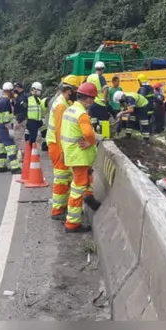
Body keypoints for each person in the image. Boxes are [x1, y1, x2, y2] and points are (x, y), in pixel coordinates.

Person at [59, 81, 102, 233]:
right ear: (88, 99)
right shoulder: (82, 114)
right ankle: (72, 224)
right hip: (80, 156)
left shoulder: (69, 110)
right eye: (93, 99)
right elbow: (89, 134)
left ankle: (89, 198)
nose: (92, 102)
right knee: (77, 189)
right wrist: (91, 142)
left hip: (71, 154)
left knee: (85, 180)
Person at [47, 83, 76, 220]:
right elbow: (59, 129)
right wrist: (63, 150)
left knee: (66, 178)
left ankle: (62, 207)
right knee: (61, 178)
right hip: (57, 146)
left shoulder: (63, 102)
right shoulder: (60, 105)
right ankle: (57, 210)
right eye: (72, 91)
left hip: (58, 145)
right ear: (68, 91)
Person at [0, 82, 22, 177]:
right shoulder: (6, 102)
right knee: (11, 147)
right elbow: (6, 118)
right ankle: (15, 168)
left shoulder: (0, 100)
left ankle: (1, 166)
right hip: (5, 127)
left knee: (1, 147)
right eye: (12, 91)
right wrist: (10, 128)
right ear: (9, 91)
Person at [85, 61, 111, 133]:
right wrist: (105, 100)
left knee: (93, 119)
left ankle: (93, 134)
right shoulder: (101, 77)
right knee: (104, 120)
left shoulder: (89, 77)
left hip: (91, 102)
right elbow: (105, 89)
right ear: (103, 69)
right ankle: (105, 135)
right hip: (100, 102)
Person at [25, 82, 46, 147]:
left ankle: (44, 145)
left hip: (38, 120)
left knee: (44, 131)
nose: (39, 92)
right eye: (39, 90)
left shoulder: (38, 99)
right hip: (31, 120)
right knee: (32, 137)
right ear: (34, 89)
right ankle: (31, 151)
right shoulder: (28, 98)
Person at [12, 82, 28, 162]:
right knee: (19, 137)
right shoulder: (18, 96)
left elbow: (24, 110)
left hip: (20, 119)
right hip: (19, 118)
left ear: (19, 87)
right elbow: (15, 105)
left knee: (19, 137)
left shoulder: (22, 97)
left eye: (16, 87)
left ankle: (22, 154)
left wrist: (19, 121)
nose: (15, 89)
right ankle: (21, 153)